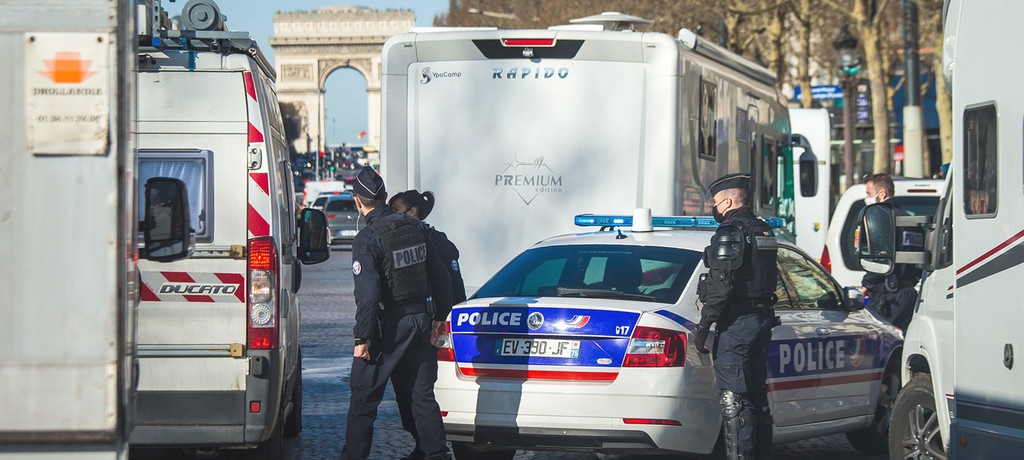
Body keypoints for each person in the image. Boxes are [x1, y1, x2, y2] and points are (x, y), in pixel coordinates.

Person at [339, 168, 453, 460]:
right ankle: (436, 455)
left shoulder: (367, 238)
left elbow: (368, 295)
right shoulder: (415, 228)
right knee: (422, 396)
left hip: (387, 328)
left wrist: (362, 338)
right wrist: (440, 317)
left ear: (357, 202)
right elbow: (441, 276)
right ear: (386, 197)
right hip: (421, 322)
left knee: (364, 399)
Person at [694, 173, 777, 460]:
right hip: (760, 320)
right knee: (756, 398)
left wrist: (704, 326)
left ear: (727, 201)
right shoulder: (763, 230)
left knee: (735, 402)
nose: (713, 208)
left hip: (737, 323)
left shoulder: (731, 232)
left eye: (715, 202)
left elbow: (721, 286)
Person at [387, 189, 466, 460]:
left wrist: (443, 319)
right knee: (404, 391)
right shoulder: (402, 237)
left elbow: (453, 286)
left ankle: (432, 450)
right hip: (409, 323)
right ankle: (422, 445)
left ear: (412, 212)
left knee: (420, 392)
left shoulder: (435, 241)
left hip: (428, 324)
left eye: (395, 211)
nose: (391, 217)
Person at [860, 173, 924, 331]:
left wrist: (867, 283)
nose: (866, 198)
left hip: (888, 297)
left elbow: (880, 257)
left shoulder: (882, 219)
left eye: (869, 193)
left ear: (882, 194)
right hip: (909, 294)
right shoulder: (910, 221)